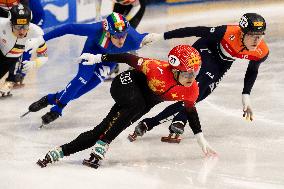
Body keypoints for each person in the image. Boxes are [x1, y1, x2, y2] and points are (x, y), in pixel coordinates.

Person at [37, 44, 216, 169]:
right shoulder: (156, 68)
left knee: (103, 129)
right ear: (175, 70)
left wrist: (201, 139)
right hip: (126, 84)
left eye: (196, 72)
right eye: (188, 73)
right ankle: (104, 143)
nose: (192, 77)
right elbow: (128, 57)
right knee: (135, 107)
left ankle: (59, 152)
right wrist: (98, 58)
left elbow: (190, 112)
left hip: (143, 102)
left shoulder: (192, 89)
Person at [131, 13, 269, 142]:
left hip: (224, 63)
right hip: (206, 49)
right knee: (197, 88)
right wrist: (162, 36)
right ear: (242, 33)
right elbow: (194, 30)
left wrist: (246, 95)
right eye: (252, 35)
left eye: (260, 35)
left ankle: (163, 121)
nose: (256, 40)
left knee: (201, 94)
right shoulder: (227, 32)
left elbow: (253, 70)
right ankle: (166, 120)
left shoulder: (261, 51)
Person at [24, 12, 150, 126]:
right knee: (82, 79)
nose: (121, 39)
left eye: (123, 35)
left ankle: (50, 98)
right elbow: (69, 28)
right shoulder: (96, 29)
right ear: (107, 32)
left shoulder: (134, 38)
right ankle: (57, 109)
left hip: (109, 59)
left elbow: (154, 38)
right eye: (116, 36)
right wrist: (41, 39)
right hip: (91, 52)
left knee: (78, 92)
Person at [0, 4, 48, 97]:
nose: (21, 31)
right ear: (10, 23)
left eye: (25, 27)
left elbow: (44, 57)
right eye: (18, 27)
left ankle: (12, 80)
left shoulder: (37, 33)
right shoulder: (2, 24)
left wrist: (35, 63)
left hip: (12, 59)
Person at [95, 0, 146, 79]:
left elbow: (137, 6)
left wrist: (125, 21)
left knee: (127, 33)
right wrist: (98, 13)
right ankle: (113, 64)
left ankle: (135, 63)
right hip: (120, 4)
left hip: (137, 6)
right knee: (112, 31)